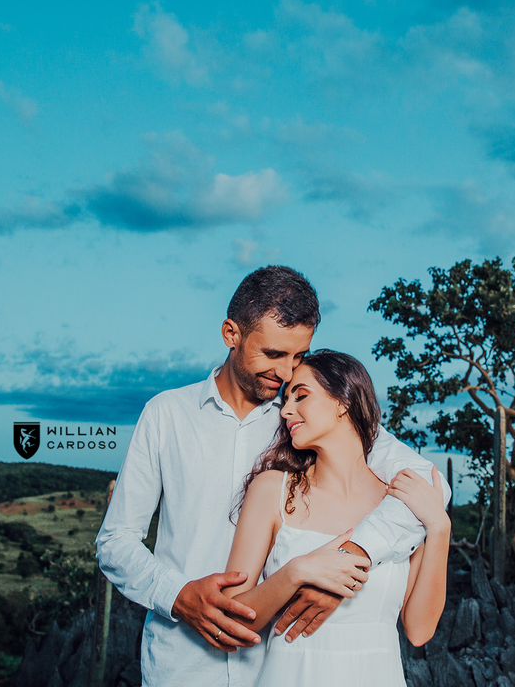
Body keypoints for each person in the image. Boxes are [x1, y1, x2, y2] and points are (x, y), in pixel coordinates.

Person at [96, 266, 450, 687]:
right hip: (182, 665)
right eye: (274, 354)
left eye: (298, 357)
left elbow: (428, 484)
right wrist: (178, 596)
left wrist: (354, 556)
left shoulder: (307, 419)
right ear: (231, 333)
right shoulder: (165, 415)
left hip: (280, 661)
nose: (286, 373)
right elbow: (115, 541)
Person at [222, 349, 450, 686]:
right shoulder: (273, 490)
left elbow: (419, 630)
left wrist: (440, 527)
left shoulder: (401, 504)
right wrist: (296, 572)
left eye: (301, 395)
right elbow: (232, 619)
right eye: (286, 399)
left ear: (343, 401)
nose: (285, 410)